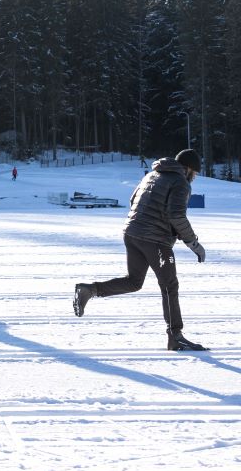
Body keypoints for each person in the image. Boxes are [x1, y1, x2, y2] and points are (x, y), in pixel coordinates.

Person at [73, 149, 209, 351]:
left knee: (134, 281)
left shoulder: (152, 175)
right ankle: (175, 336)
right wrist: (194, 244)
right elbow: (176, 216)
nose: (194, 177)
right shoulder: (180, 182)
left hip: (132, 233)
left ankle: (89, 290)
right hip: (155, 240)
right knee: (169, 286)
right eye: (195, 173)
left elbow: (133, 201)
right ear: (188, 169)